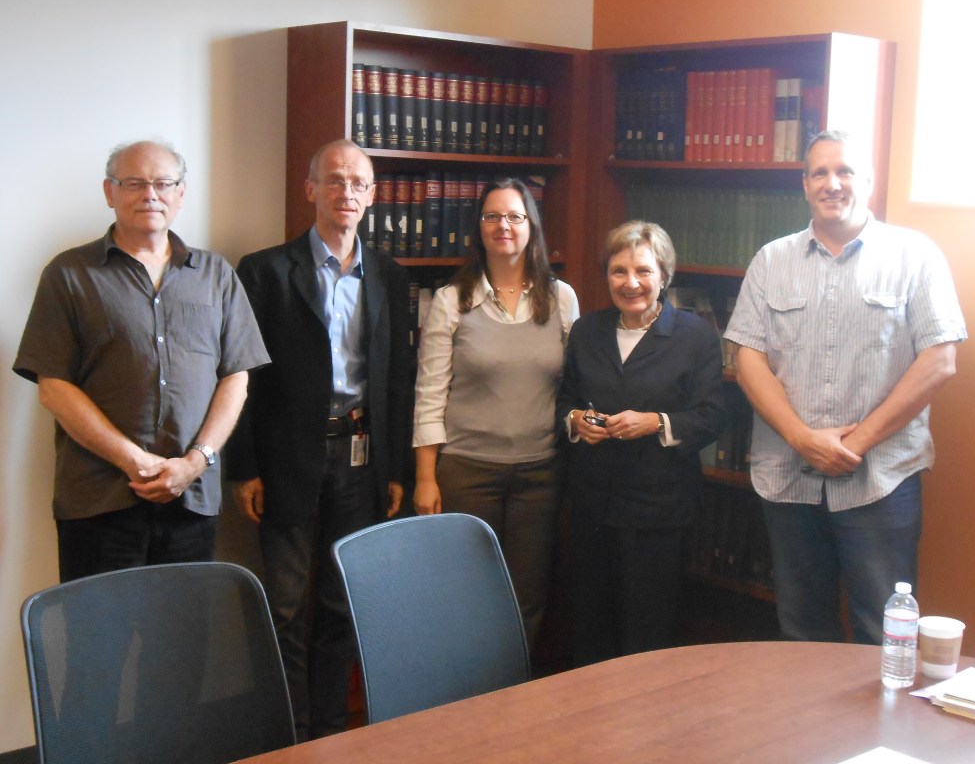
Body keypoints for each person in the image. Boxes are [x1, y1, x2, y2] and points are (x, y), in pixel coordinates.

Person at [723, 130, 967, 645]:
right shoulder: (772, 260)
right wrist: (802, 438)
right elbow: (748, 359)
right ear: (805, 183)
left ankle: (883, 729)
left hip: (881, 479)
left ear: (869, 179)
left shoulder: (915, 255)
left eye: (845, 171)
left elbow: (939, 360)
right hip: (789, 476)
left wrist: (855, 443)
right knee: (801, 630)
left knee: (883, 632)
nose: (832, 183)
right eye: (820, 173)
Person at [13, 140, 269, 582]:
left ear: (181, 193)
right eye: (134, 183)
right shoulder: (70, 274)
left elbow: (236, 377)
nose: (150, 194)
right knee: (97, 642)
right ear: (109, 192)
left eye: (163, 183)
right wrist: (134, 460)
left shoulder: (216, 275)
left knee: (182, 641)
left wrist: (195, 461)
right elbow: (54, 386)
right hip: (99, 500)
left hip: (191, 500)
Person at [224, 139, 411, 741]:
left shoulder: (388, 275)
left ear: (373, 196)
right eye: (334, 180)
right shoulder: (264, 271)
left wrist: (396, 468)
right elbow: (241, 375)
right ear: (310, 190)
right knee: (285, 606)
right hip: (287, 461)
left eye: (359, 183)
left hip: (360, 458)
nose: (347, 192)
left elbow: (396, 378)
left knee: (340, 603)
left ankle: (331, 733)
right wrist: (243, 467)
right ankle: (289, 735)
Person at [413, 177, 579, 649]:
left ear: (531, 227)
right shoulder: (451, 301)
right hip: (467, 472)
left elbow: (575, 387)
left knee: (527, 598)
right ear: (478, 227)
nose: (503, 225)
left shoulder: (561, 298)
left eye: (514, 216)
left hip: (540, 474)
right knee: (464, 594)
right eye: (491, 216)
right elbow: (429, 396)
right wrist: (427, 477)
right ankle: (466, 704)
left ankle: (513, 700)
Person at [557, 220, 727, 666]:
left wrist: (656, 422)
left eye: (643, 271)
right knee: (590, 629)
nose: (630, 283)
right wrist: (576, 420)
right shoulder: (587, 331)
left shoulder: (695, 336)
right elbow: (566, 399)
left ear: (664, 276)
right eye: (618, 271)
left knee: (647, 634)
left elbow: (712, 417)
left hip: (659, 511)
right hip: (592, 506)